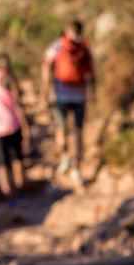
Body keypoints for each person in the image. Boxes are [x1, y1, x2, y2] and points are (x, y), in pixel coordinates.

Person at [41, 19, 95, 182]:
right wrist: (93, 94)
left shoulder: (58, 45)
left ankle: (65, 157)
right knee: (78, 130)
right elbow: (91, 73)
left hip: (61, 94)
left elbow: (46, 66)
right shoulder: (85, 48)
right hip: (80, 94)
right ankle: (76, 168)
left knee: (61, 128)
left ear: (67, 30)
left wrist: (44, 91)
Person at [0, 52, 29, 201]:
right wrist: (25, 126)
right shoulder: (9, 78)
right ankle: (20, 191)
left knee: (2, 162)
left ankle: (8, 194)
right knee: (16, 159)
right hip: (12, 125)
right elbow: (17, 104)